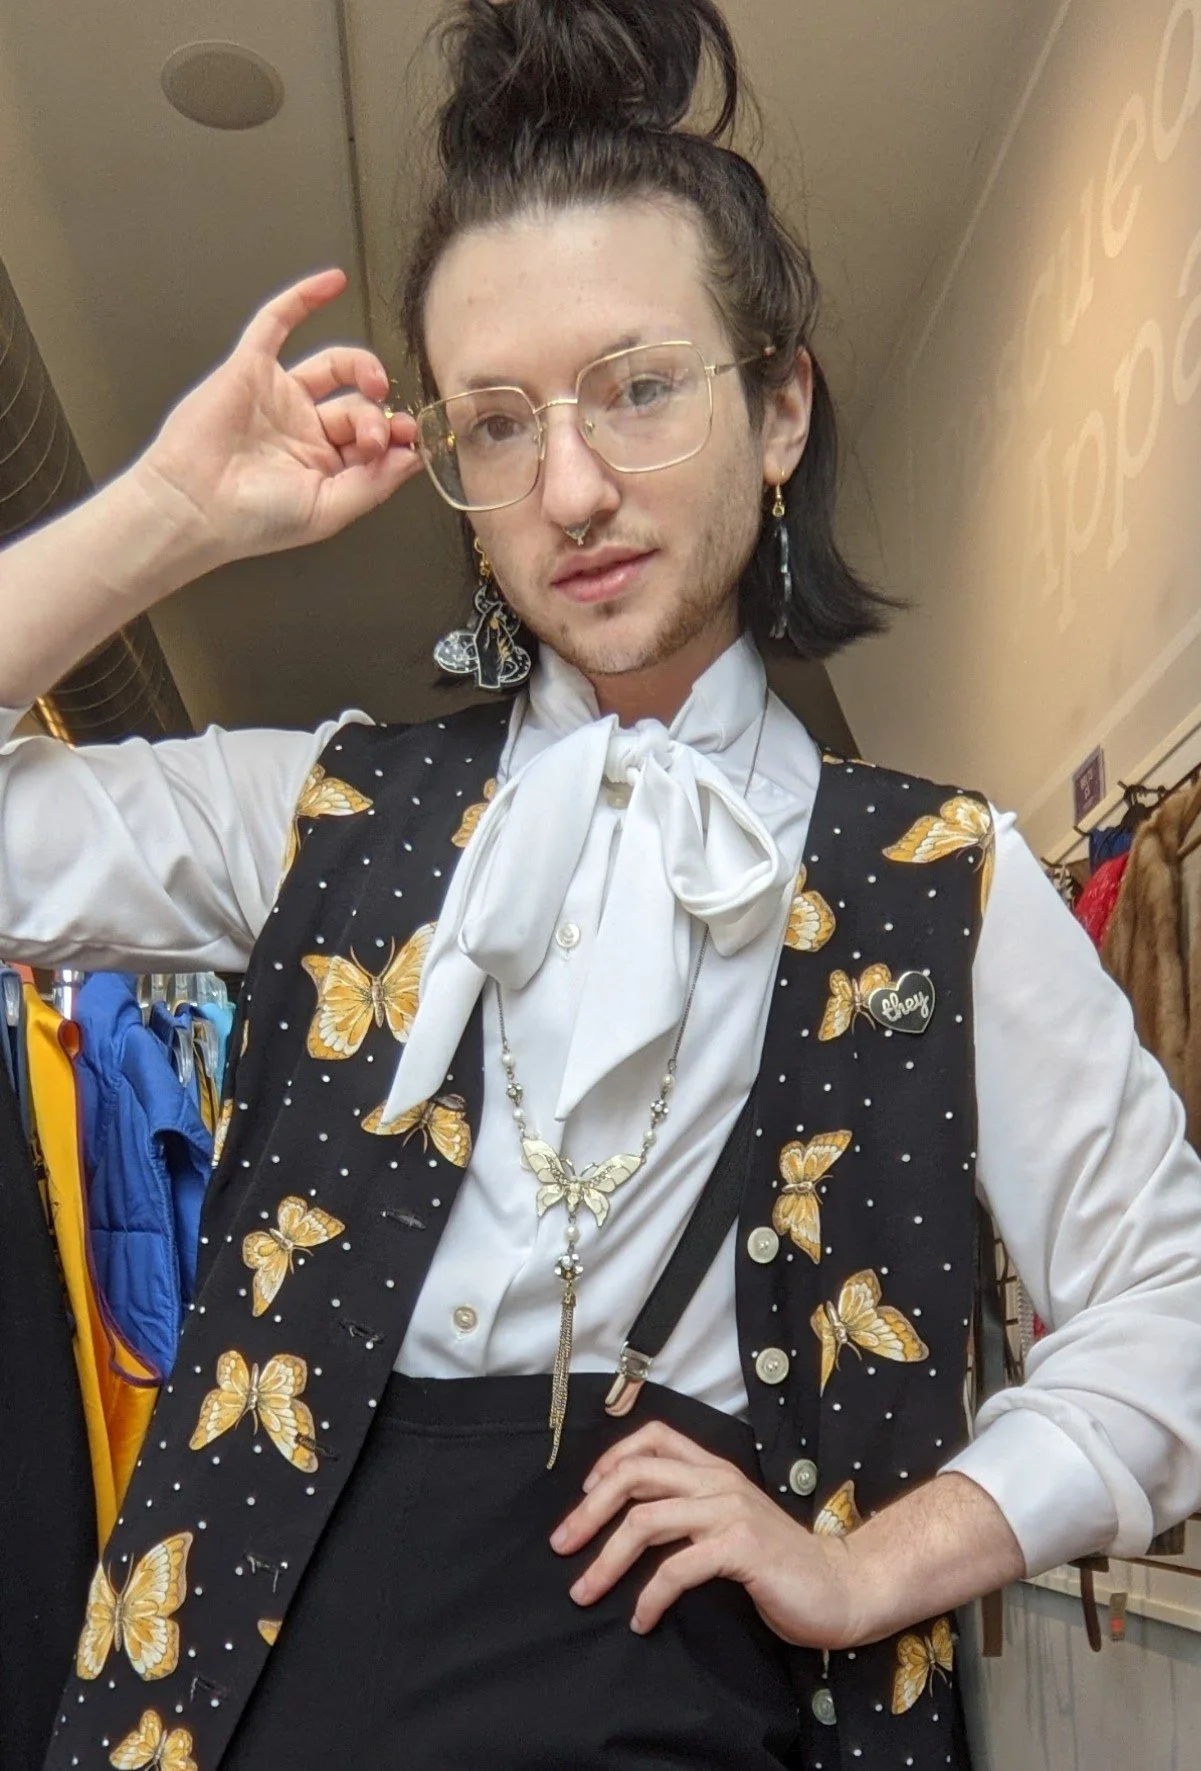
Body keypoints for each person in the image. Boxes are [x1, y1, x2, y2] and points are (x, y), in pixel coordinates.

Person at [4, 2, 1200, 1766]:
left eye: (638, 387)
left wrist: (874, 1566)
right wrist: (168, 516)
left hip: (691, 1688)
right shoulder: (325, 811)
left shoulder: (941, 886)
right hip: (267, 1673)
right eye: (497, 423)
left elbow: (1170, 1310)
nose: (569, 486)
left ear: (779, 408)